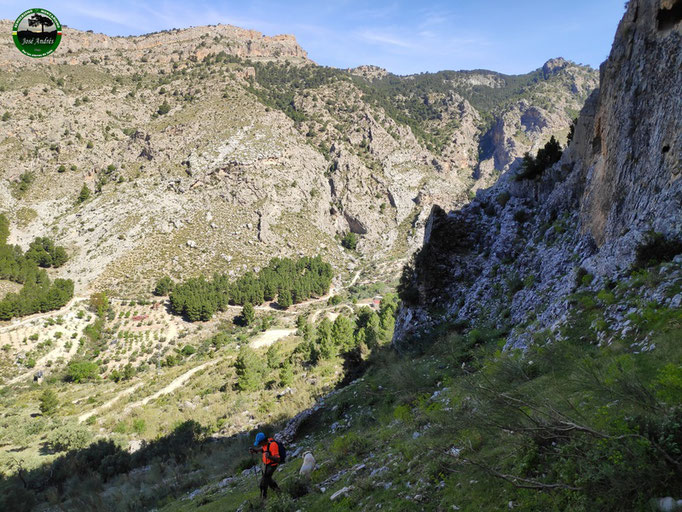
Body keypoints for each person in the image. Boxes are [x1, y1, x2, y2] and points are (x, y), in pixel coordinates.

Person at [249, 432, 280, 499]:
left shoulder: (273, 445)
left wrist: (269, 457)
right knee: (268, 480)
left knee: (263, 483)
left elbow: (277, 459)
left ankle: (263, 498)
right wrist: (255, 450)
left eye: (259, 443)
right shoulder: (265, 444)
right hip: (266, 465)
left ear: (263, 441)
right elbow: (263, 449)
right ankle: (278, 491)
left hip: (271, 466)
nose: (259, 445)